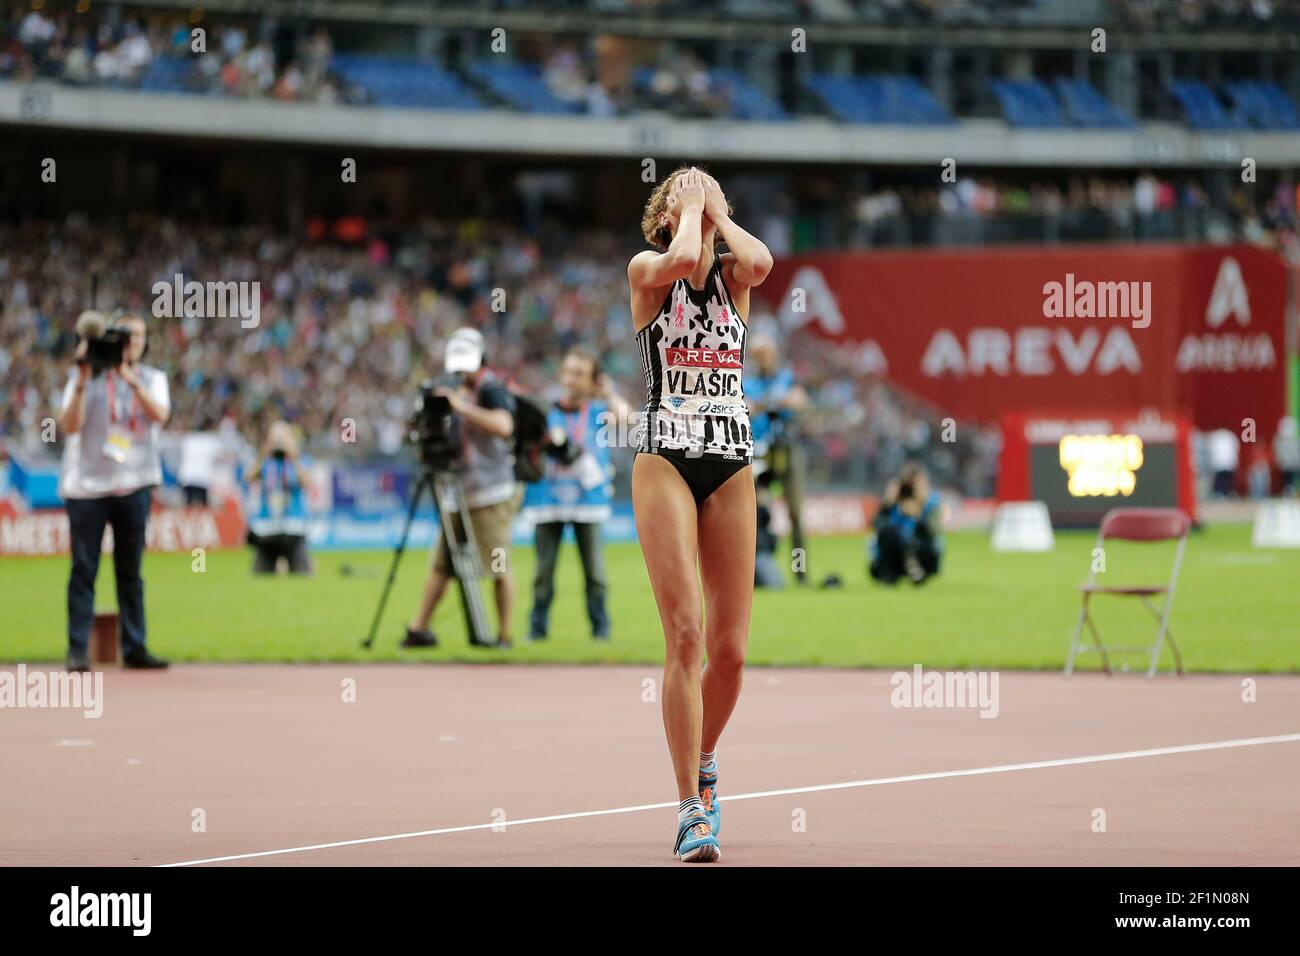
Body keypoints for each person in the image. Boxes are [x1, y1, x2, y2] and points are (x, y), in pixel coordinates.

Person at [629, 166, 772, 862]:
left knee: (733, 651)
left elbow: (761, 261)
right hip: (665, 457)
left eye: (710, 210)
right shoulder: (648, 270)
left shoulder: (734, 282)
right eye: (688, 208)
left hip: (732, 461)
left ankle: (706, 756)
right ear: (666, 218)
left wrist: (714, 209)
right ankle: (690, 808)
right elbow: (683, 258)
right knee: (685, 633)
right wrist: (689, 211)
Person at [57, 312, 171, 672]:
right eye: (125, 336)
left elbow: (160, 416)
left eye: (137, 337)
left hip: (133, 484)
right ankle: (78, 650)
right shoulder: (85, 376)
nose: (131, 342)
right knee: (83, 570)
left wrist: (130, 380)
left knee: (131, 571)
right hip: (86, 488)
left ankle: (135, 646)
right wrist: (81, 377)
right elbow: (70, 426)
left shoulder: (152, 378)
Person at [405, 328, 519, 649]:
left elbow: (503, 426)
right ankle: (419, 629)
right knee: (442, 564)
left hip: (491, 493)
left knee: (498, 564)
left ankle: (504, 635)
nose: (460, 371)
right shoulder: (454, 388)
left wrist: (459, 406)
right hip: (459, 492)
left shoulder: (491, 388)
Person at [522, 347, 631, 642]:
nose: (571, 380)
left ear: (592, 380)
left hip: (589, 501)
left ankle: (601, 632)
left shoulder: (598, 411)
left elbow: (627, 418)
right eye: (568, 372)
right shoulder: (545, 411)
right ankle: (536, 630)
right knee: (543, 573)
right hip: (547, 499)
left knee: (595, 573)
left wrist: (607, 391)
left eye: (579, 374)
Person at [745, 333, 810, 584]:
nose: (764, 359)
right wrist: (775, 402)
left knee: (795, 513)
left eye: (767, 354)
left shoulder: (787, 377)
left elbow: (799, 401)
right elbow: (746, 407)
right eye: (759, 355)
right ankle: (756, 568)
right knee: (753, 509)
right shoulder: (747, 381)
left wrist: (766, 403)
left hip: (786, 448)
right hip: (758, 449)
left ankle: (801, 573)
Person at [247, 420, 313, 574]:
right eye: (275, 438)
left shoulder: (301, 460)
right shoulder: (265, 461)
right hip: (267, 528)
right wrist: (264, 453)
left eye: (282, 438)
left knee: (302, 574)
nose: (279, 443)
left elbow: (306, 482)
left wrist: (294, 457)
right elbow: (249, 478)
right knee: (260, 576)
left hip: (294, 526)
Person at [869, 462, 943, 586]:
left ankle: (913, 566)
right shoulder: (893, 504)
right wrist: (888, 504)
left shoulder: (931, 502)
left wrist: (919, 513)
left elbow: (934, 531)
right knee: (888, 532)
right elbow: (877, 527)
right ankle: (905, 568)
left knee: (915, 540)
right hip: (894, 555)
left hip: (922, 554)